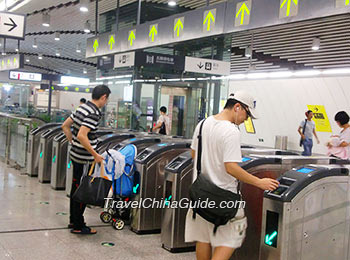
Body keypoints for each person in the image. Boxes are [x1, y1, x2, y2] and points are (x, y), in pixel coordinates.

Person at [185, 91, 279, 260]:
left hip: (200, 193)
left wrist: (211, 164)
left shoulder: (203, 123)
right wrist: (259, 182)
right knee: (234, 233)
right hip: (224, 197)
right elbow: (231, 168)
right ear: (237, 107)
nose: (246, 119)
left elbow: (194, 154)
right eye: (247, 114)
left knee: (204, 238)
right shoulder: (231, 131)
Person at [62, 85, 111, 235]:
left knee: (76, 187)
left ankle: (73, 219)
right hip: (85, 158)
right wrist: (95, 154)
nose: (106, 102)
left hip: (76, 155)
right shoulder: (94, 113)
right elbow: (83, 135)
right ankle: (78, 225)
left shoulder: (81, 108)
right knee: (83, 190)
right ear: (103, 97)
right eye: (107, 99)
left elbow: (65, 126)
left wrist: (72, 142)